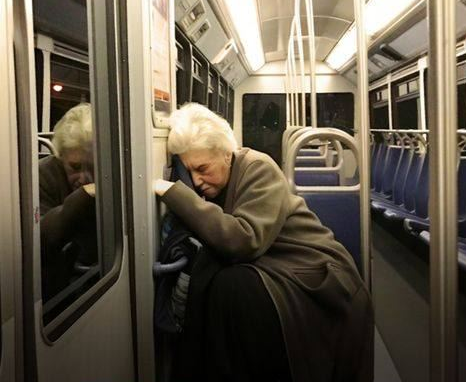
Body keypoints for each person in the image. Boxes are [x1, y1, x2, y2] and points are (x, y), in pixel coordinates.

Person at [153, 103, 374, 382]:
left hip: (316, 274)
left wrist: (175, 194)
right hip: (279, 267)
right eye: (190, 172)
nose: (196, 182)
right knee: (224, 286)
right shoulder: (219, 182)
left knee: (231, 287)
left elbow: (244, 240)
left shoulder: (258, 167)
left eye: (203, 169)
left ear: (225, 154)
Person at [39, 103, 97, 301]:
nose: (84, 177)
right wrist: (83, 196)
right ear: (61, 157)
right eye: (75, 167)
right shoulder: (44, 175)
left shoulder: (110, 175)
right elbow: (40, 240)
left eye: (92, 167)